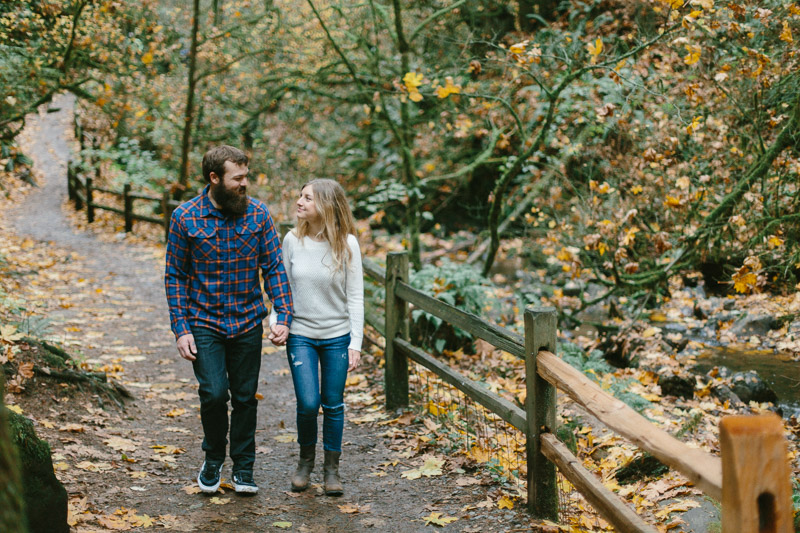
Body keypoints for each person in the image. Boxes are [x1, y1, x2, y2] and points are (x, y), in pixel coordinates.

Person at [165, 145, 293, 495]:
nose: (244, 184)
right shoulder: (185, 217)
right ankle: (212, 457)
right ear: (214, 178)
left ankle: (244, 467)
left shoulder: (259, 215)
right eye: (237, 178)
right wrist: (181, 328)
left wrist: (282, 314)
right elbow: (175, 275)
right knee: (213, 393)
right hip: (203, 322)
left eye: (246, 176)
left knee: (245, 397)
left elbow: (274, 268)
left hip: (248, 321)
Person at [271, 178, 363, 496]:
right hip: (301, 335)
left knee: (333, 404)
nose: (299, 202)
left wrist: (356, 343)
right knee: (309, 403)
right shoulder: (292, 240)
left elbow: (356, 298)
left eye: (307, 198)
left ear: (325, 205)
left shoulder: (347, 244)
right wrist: (276, 320)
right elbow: (281, 289)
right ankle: (305, 463)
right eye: (300, 195)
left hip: (337, 335)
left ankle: (332, 470)